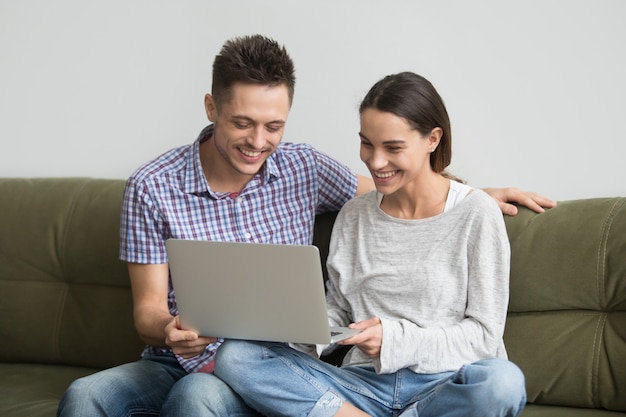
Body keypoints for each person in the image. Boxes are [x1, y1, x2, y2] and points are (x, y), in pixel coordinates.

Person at [57, 35, 550, 416]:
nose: (258, 141)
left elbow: (394, 183)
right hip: (195, 356)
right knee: (88, 395)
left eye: (274, 126)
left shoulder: (303, 168)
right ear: (212, 108)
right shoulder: (151, 186)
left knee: (203, 392)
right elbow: (146, 312)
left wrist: (475, 196)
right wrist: (170, 331)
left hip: (312, 362)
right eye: (242, 123)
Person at [211, 71, 527, 417]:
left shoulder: (476, 213)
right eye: (367, 144)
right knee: (236, 355)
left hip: (441, 385)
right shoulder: (354, 215)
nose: (375, 162)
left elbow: (483, 337)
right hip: (358, 388)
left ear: (432, 139)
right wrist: (301, 326)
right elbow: (340, 312)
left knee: (503, 383)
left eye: (393, 148)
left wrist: (393, 340)